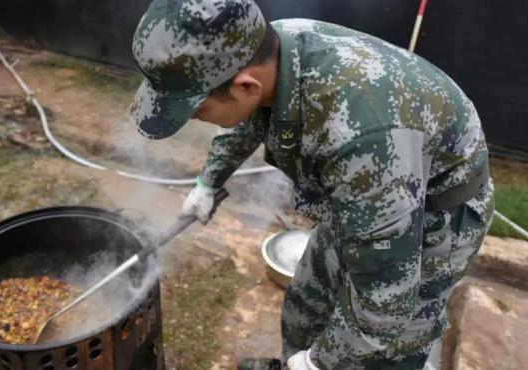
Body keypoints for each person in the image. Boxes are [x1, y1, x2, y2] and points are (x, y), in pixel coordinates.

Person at [130, 1, 494, 369]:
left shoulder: (359, 138)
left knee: (389, 350)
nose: (198, 119)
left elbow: (386, 302)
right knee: (308, 302)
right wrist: (209, 180)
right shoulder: (267, 49)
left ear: (245, 86)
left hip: (435, 216)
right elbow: (248, 116)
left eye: (197, 110)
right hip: (371, 190)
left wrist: (321, 363)